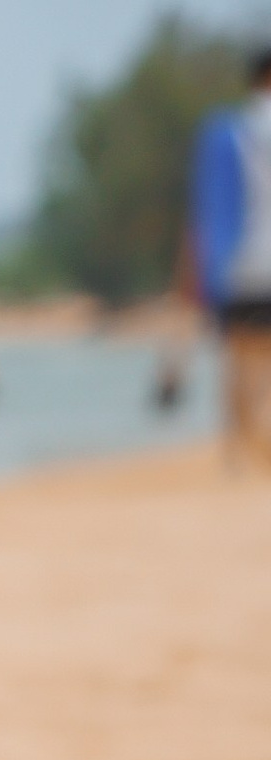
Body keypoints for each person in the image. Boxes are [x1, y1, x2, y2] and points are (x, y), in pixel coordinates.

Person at [189, 40, 271, 467]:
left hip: (238, 266)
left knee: (237, 359)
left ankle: (237, 447)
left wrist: (195, 275)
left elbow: (207, 207)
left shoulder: (226, 131)